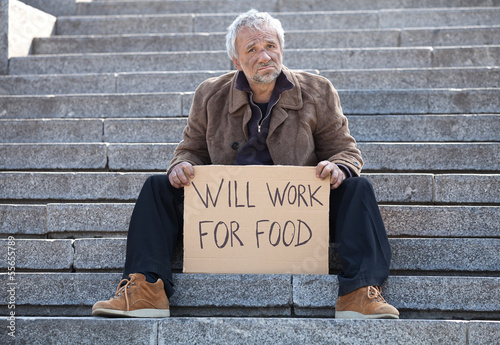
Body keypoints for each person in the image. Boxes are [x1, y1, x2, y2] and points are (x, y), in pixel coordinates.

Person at [92, 9, 399, 320]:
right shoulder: (210, 94)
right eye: (251, 49)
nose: (263, 55)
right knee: (157, 187)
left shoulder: (318, 91)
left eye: (270, 46)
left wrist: (337, 168)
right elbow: (190, 150)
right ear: (236, 61)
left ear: (282, 49)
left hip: (298, 211)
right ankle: (146, 290)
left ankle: (359, 293)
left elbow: (346, 152)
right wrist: (182, 165)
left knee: (358, 187)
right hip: (228, 212)